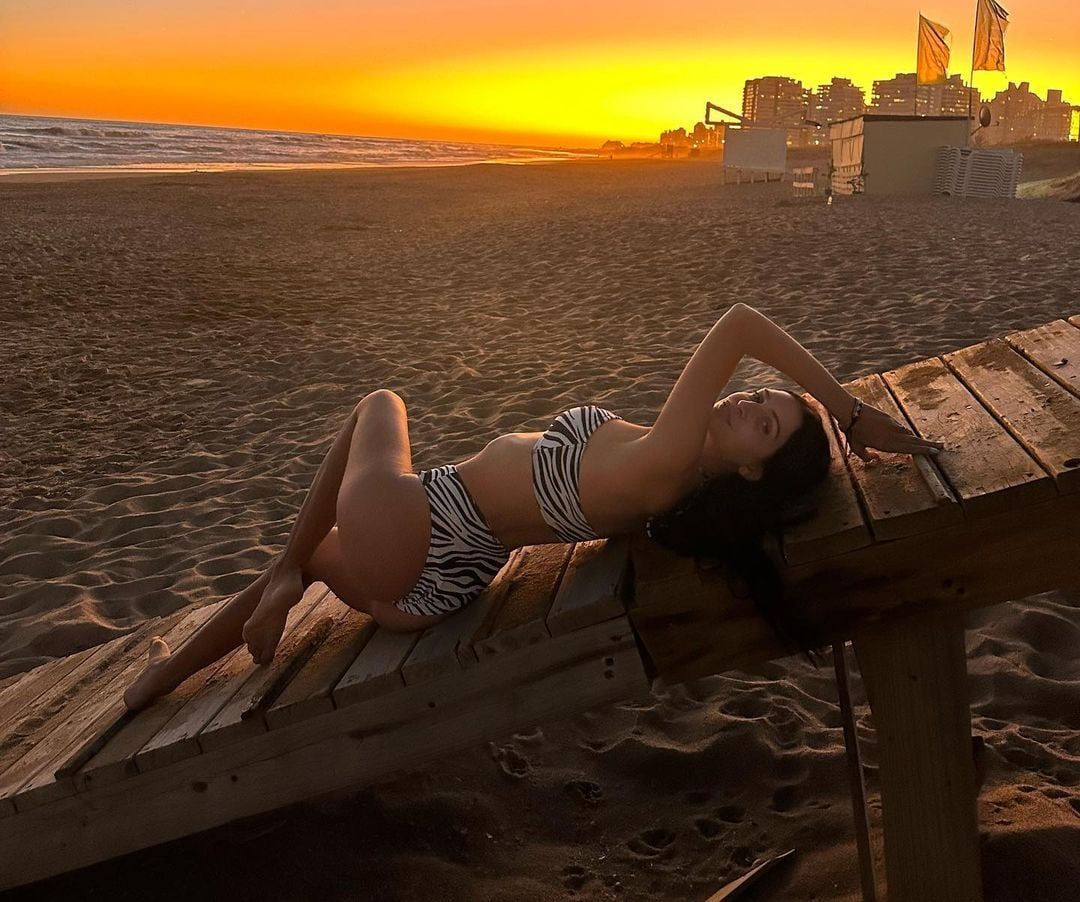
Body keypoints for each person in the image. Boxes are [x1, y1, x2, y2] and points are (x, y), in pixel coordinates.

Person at [122, 304, 946, 711]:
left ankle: (267, 585)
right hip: (437, 591)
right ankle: (166, 675)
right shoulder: (674, 478)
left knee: (380, 403)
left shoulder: (665, 462)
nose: (741, 405)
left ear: (754, 472)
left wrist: (844, 409)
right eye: (759, 398)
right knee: (306, 562)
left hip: (424, 528)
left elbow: (736, 322)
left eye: (762, 423)